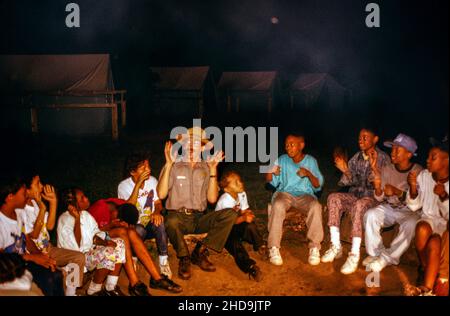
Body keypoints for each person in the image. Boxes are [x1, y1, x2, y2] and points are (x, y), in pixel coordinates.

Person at [157, 127, 238, 280]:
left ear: (202, 146)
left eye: (195, 142)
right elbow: (161, 194)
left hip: (199, 217)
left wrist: (213, 169)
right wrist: (168, 165)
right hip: (178, 217)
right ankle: (184, 257)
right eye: (187, 142)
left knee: (230, 214)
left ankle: (200, 251)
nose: (191, 146)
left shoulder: (206, 167)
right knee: (171, 221)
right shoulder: (174, 165)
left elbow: (212, 199)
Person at [321, 128, 389, 274]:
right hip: (356, 195)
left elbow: (375, 183)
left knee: (359, 204)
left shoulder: (382, 158)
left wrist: (372, 168)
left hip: (373, 199)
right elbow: (346, 183)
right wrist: (345, 170)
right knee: (333, 198)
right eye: (359, 137)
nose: (361, 140)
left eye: (365, 137)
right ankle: (336, 246)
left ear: (375, 139)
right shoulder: (356, 157)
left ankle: (354, 254)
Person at [88, 198, 182, 295]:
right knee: (122, 232)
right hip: (93, 241)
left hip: (110, 236)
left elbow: (130, 224)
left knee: (131, 232)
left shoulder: (125, 207)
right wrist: (110, 225)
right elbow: (88, 237)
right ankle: (134, 282)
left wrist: (127, 227)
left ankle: (157, 278)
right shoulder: (97, 211)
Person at [16, 174, 85, 296]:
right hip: (34, 252)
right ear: (26, 189)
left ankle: (71, 293)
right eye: (37, 184)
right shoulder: (22, 209)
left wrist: (53, 202)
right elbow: (33, 235)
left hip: (48, 248)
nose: (42, 186)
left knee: (78, 257)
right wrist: (42, 209)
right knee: (52, 276)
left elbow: (49, 226)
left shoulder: (35, 203)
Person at [363, 134, 423, 272]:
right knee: (370, 215)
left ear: (409, 154)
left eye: (397, 149)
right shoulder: (388, 169)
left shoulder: (418, 172)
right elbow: (380, 198)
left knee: (412, 224)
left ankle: (388, 258)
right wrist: (378, 187)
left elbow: (418, 201)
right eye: (393, 148)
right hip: (390, 208)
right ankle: (375, 253)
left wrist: (398, 192)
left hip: (410, 212)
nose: (393, 152)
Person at [265, 134, 324, 266]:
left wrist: (308, 174)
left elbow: (318, 186)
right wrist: (270, 171)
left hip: (304, 194)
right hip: (285, 193)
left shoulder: (311, 161)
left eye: (292, 144)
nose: (288, 148)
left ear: (301, 145)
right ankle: (273, 247)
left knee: (316, 206)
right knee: (278, 204)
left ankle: (314, 247)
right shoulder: (282, 159)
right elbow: (270, 181)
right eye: (286, 145)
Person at [0, 175, 64, 296]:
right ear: (10, 197)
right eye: (24, 193)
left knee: (55, 274)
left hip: (23, 262)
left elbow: (27, 239)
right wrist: (33, 258)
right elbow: (3, 259)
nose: (27, 195)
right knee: (47, 280)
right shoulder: (2, 222)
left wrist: (40, 255)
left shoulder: (18, 213)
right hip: (8, 270)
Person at [57, 187, 126, 296]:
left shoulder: (86, 215)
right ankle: (94, 290)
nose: (86, 199)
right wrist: (77, 220)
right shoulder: (65, 220)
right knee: (108, 252)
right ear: (72, 204)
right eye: (82, 198)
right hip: (77, 260)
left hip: (89, 254)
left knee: (119, 243)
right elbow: (74, 250)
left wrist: (106, 241)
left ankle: (110, 287)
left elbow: (95, 234)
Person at [118, 152, 172, 279]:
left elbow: (158, 202)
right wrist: (138, 185)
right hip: (134, 226)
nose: (148, 169)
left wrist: (157, 211)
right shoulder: (123, 186)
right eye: (143, 168)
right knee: (138, 229)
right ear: (132, 171)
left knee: (160, 223)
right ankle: (134, 256)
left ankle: (163, 260)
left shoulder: (152, 181)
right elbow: (128, 210)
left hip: (150, 223)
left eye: (148, 166)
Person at [406, 137, 448, 296]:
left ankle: (427, 286)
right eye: (428, 156)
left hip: (445, 224)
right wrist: (413, 187)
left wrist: (444, 196)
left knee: (436, 241)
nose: (427, 160)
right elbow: (414, 206)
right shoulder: (424, 175)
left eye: (433, 157)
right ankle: (426, 269)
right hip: (429, 219)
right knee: (422, 228)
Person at [216, 170, 265, 281]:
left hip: (235, 224)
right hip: (223, 231)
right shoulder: (225, 201)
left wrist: (246, 213)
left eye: (240, 181)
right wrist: (243, 218)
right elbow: (227, 222)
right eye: (236, 182)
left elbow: (243, 210)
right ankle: (250, 267)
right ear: (227, 189)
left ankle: (261, 246)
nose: (240, 184)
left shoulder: (241, 193)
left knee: (250, 225)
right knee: (235, 244)